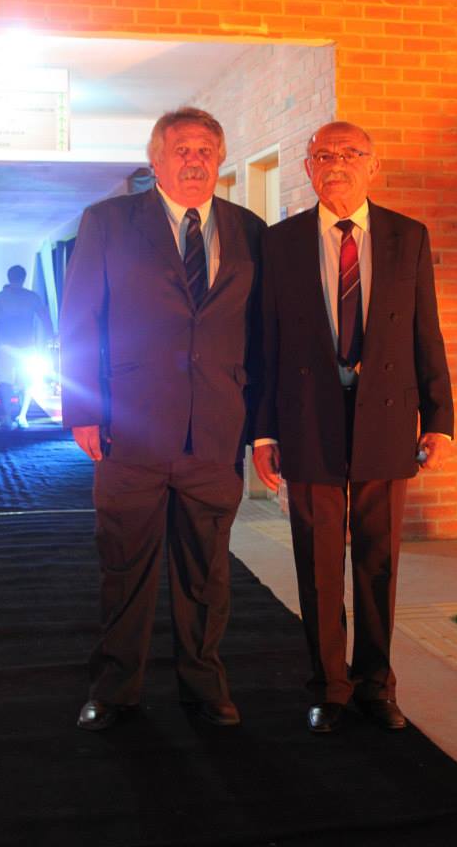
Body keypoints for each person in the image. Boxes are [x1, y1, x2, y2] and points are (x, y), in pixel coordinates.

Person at [60, 107, 265, 731]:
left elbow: (262, 335)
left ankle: (204, 687)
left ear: (220, 159)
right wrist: (84, 408)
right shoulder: (108, 222)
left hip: (215, 433)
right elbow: (80, 318)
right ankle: (115, 689)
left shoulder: (251, 230)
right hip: (130, 430)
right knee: (125, 567)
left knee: (207, 571)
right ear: (156, 160)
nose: (194, 160)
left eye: (205, 149)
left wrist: (262, 425)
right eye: (181, 149)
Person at [253, 121, 454, 734]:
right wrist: (263, 432)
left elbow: (426, 331)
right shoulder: (279, 242)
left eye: (349, 153)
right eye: (323, 155)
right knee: (316, 561)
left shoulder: (407, 236)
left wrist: (440, 419)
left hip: (387, 416)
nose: (335, 164)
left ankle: (376, 685)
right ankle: (328, 686)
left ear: (373, 165)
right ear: (308, 168)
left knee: (378, 559)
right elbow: (265, 342)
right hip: (306, 418)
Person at [0, 265, 54, 429]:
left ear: (9, 278)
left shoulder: (0, 297)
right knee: (28, 381)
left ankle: (7, 416)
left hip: (5, 346)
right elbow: (45, 318)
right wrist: (51, 337)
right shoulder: (32, 297)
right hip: (27, 345)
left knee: (5, 382)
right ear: (24, 278)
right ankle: (22, 416)